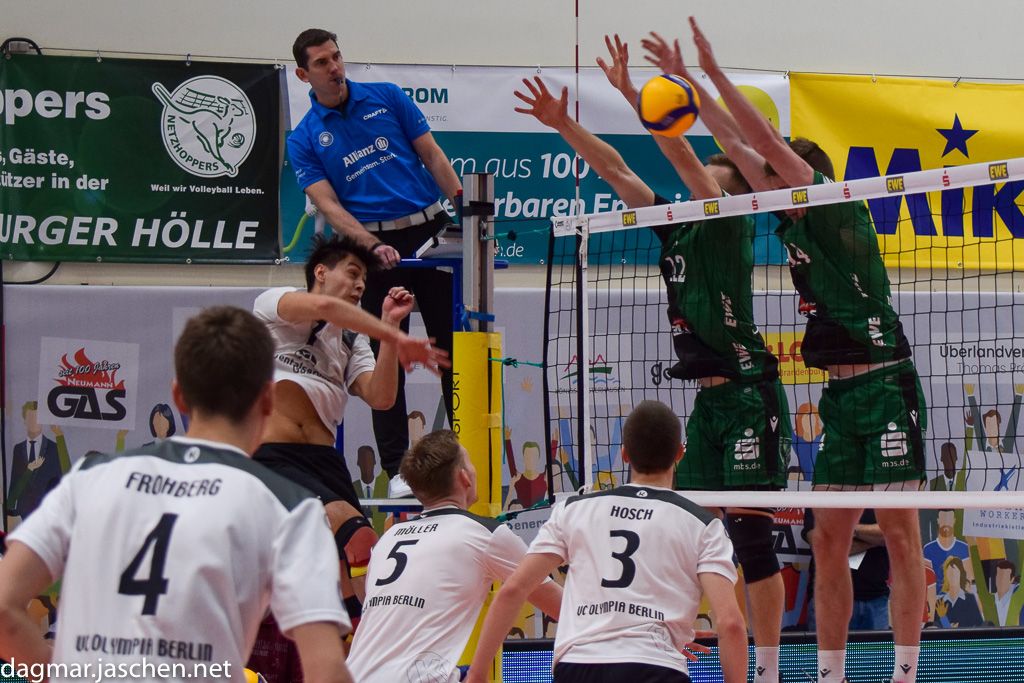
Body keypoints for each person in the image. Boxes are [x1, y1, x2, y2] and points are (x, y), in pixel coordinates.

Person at [516, 35, 790, 681]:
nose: (696, 184)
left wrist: (639, 97)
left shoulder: (726, 222)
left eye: (711, 182)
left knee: (752, 539)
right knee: (692, 527)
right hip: (710, 398)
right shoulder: (677, 226)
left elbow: (682, 153)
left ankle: (769, 669)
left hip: (749, 388)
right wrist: (563, 124)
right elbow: (618, 172)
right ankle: (676, 630)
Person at [661, 18, 926, 682]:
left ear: (804, 177)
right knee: (826, 537)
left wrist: (710, 71)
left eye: (777, 176)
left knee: (900, 536)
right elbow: (735, 146)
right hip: (841, 396)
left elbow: (760, 142)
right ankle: (830, 673)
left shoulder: (835, 206)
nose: (766, 184)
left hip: (887, 384)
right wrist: (686, 84)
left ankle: (904, 672)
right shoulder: (790, 219)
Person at [0, 306, 353, 683]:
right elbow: (326, 669)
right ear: (269, 400)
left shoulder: (89, 477)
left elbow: (4, 606)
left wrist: (54, 667)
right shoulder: (291, 506)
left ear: (179, 397)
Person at [249, 234, 448, 678]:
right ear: (321, 272)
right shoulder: (275, 305)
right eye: (352, 274)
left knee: (346, 565)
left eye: (364, 279)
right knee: (358, 538)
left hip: (324, 465)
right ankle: (369, 642)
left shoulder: (352, 340)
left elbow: (381, 397)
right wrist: (385, 330)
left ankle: (350, 657)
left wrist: (392, 332)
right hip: (270, 456)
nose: (360, 285)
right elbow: (324, 307)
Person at [287, 28, 462, 496]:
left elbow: (432, 155)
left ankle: (466, 454)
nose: (334, 68)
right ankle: (398, 469)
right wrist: (368, 243)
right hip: (372, 244)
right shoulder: (304, 137)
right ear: (304, 74)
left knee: (453, 347)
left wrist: (468, 211)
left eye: (336, 57)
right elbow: (328, 205)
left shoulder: (386, 96)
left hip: (429, 231)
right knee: (388, 352)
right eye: (322, 63)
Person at [465, 400, 747, 683]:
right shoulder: (703, 524)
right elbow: (731, 624)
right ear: (679, 453)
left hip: (579, 666)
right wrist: (665, 632)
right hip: (657, 667)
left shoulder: (574, 509)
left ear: (624, 454)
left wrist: (477, 674)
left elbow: (514, 589)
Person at [345, 430, 562, 682]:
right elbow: (562, 607)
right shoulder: (483, 533)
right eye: (470, 462)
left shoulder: (389, 538)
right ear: (464, 477)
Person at [804, 509, 891, 631]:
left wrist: (849, 528)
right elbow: (822, 545)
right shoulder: (822, 499)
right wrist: (873, 540)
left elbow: (891, 533)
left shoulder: (883, 500)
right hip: (828, 599)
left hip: (875, 601)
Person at [6, 402, 68, 524]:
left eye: (37, 418)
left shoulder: (54, 447)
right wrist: (10, 505)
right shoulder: (18, 449)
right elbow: (15, 478)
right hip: (24, 513)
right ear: (24, 421)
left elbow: (66, 473)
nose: (34, 422)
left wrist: (60, 437)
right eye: (30, 418)